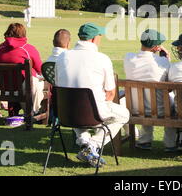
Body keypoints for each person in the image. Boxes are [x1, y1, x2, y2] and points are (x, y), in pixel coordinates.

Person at [55, 23, 130, 168]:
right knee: (124, 114)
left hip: (66, 113)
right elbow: (110, 93)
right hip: (91, 113)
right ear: (94, 39)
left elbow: (59, 87)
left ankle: (84, 143)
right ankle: (92, 145)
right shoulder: (102, 58)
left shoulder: (62, 56)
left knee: (75, 104)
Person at [123, 29, 176, 152]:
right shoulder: (162, 61)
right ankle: (170, 143)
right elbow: (169, 86)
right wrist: (167, 59)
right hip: (161, 110)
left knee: (147, 99)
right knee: (171, 101)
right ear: (157, 47)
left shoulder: (128, 57)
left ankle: (145, 141)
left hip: (134, 107)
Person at [0, 23, 44, 117]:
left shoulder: (1, 48)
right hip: (22, 88)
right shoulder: (28, 48)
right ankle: (34, 111)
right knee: (37, 82)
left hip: (4, 87)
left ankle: (28, 111)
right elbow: (39, 69)